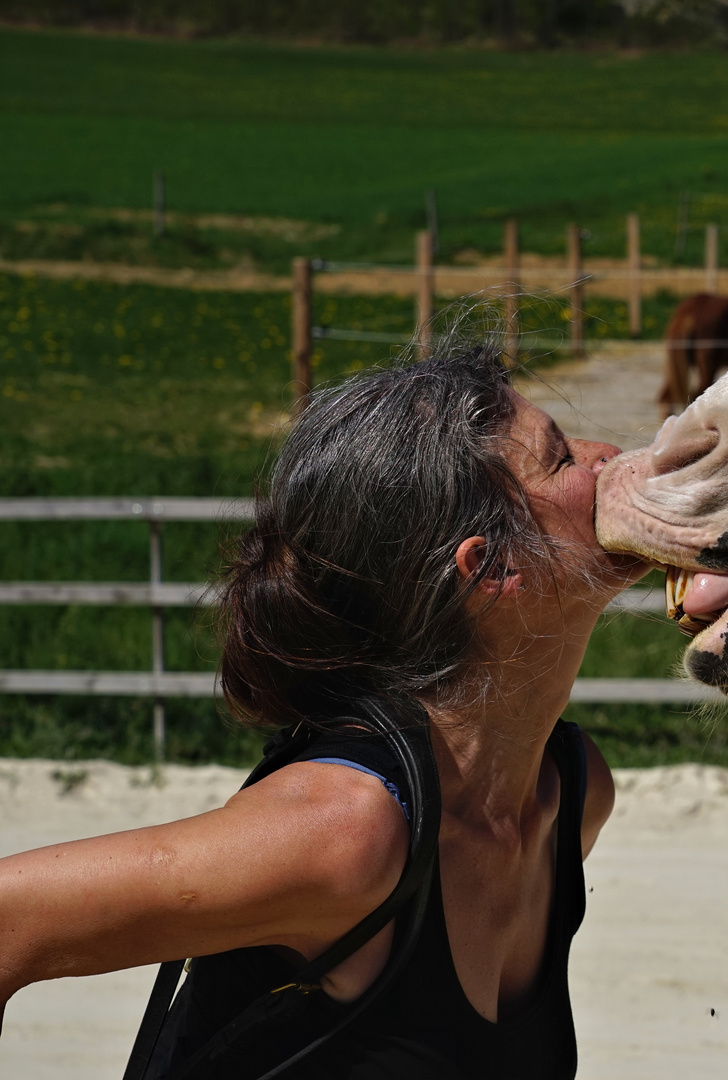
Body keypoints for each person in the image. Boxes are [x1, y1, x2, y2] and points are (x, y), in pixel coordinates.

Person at [0, 340, 645, 1077]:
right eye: (560, 459)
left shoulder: (571, 790)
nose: (607, 455)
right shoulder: (348, 832)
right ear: (492, 568)